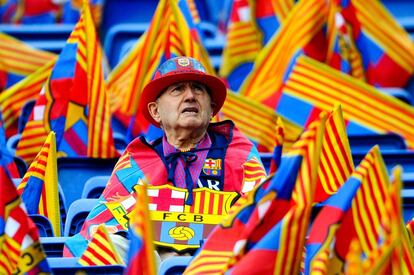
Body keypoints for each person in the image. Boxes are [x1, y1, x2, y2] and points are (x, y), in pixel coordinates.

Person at [64, 56, 267, 262]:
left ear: (212, 108)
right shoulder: (137, 161)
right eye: (177, 89)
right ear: (155, 111)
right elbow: (103, 224)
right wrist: (161, 254)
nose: (190, 96)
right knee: (108, 243)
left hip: (220, 258)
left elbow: (261, 216)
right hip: (153, 261)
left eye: (198, 88)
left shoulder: (240, 154)